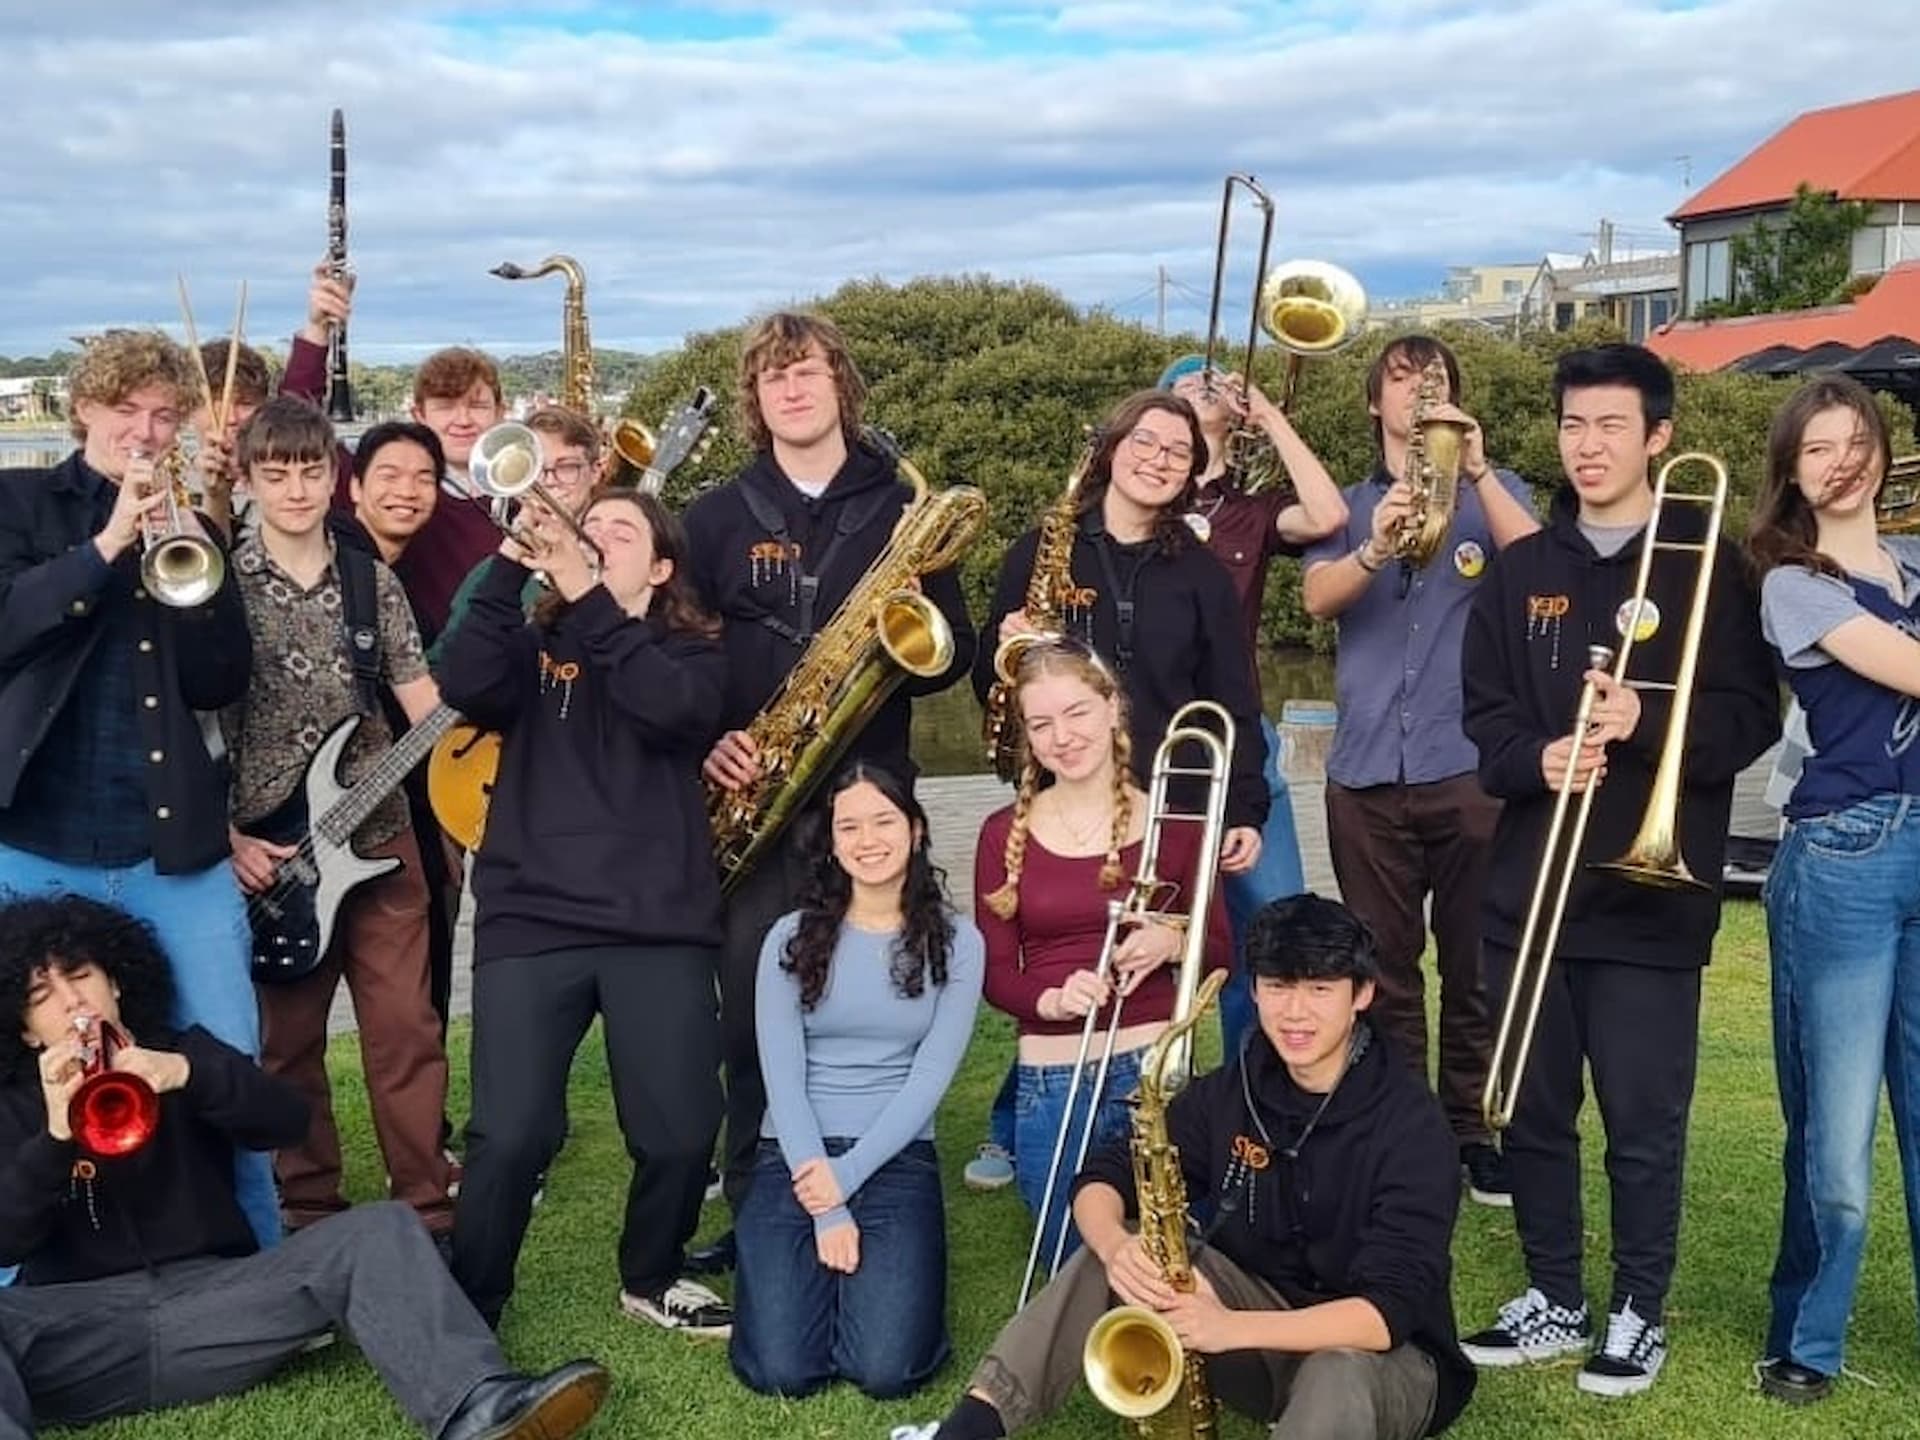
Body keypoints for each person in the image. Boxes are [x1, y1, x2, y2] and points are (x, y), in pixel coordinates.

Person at [1457, 343, 1779, 1395]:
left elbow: (1746, 718)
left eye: (1610, 427)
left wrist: (1646, 719)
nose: (1587, 447)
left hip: (1650, 901)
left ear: (1659, 437)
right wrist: (1537, 758)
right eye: (1571, 426)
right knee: (1534, 1114)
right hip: (1529, 893)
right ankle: (1556, 1293)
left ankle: (1639, 1308)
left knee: (1643, 1128)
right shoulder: (1521, 571)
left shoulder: (1709, 560)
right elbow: (1486, 721)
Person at [0, 892, 608, 1440]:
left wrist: (186, 1074)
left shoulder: (184, 1052)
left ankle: (477, 1406)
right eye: (42, 996)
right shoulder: (14, 1106)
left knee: (380, 1227)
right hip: (80, 1332)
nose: (73, 1001)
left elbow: (288, 1123)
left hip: (214, 1307)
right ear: (26, 1031)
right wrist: (57, 1136)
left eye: (81, 977)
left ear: (117, 982)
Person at [902, 893, 1475, 1440]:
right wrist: (1114, 1248)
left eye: (1320, 990)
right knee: (1126, 1253)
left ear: (1362, 995)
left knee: (1336, 1370)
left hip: (1388, 1364)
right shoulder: (1233, 1089)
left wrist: (1228, 1327)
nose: (1295, 1013)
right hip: (1262, 1334)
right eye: (1278, 987)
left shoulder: (1413, 1128)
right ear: (1254, 990)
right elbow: (1104, 1173)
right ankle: (971, 1427)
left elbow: (1384, 1315)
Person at [683, 311, 976, 1275]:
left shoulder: (903, 509)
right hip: (756, 797)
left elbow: (952, 658)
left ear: (839, 384)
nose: (790, 390)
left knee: (886, 996)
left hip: (872, 795)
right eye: (771, 378)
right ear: (754, 399)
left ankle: (874, 1173)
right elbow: (687, 651)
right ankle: (756, 1198)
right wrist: (708, 740)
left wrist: (901, 634)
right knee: (747, 1017)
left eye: (804, 371)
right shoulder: (717, 517)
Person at [0, 329, 277, 1248]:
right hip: (37, 841)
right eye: (128, 412)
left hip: (172, 851)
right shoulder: (23, 503)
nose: (148, 432)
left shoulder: (184, 523)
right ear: (84, 409)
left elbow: (220, 679)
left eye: (164, 416)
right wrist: (111, 542)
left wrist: (199, 558)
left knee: (222, 1054)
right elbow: (11, 627)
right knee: (20, 1073)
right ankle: (21, 1288)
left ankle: (263, 1258)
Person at [439, 487, 731, 1335]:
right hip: (532, 920)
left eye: (619, 532)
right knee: (511, 1133)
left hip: (658, 924)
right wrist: (509, 562)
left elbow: (669, 710)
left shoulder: (696, 654)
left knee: (680, 1134)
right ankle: (473, 1302)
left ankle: (652, 1274)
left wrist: (589, 594)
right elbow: (462, 680)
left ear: (663, 565)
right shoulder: (532, 643)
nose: (595, 539)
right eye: (587, 528)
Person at [964, 388, 1267, 1198]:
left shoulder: (1199, 570)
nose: (1160, 459)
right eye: (1146, 442)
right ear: (1112, 446)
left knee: (1178, 949)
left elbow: (1235, 694)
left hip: (1171, 800)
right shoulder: (1044, 549)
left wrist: (1245, 809)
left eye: (1179, 452)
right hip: (1065, 791)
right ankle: (1028, 1111)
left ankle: (1196, 1115)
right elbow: (989, 689)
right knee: (1069, 946)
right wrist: (1008, 654)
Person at [1300, 333, 1539, 1208]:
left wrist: (1473, 473)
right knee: (1384, 963)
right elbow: (1316, 597)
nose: (1413, 397)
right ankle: (1403, 1128)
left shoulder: (1496, 495)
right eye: (1399, 383)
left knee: (1473, 959)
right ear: (1374, 403)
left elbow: (1547, 570)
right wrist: (1373, 544)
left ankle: (1474, 1127)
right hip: (1365, 769)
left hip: (1467, 764)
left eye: (1428, 384)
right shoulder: (1345, 505)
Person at [221, 396, 454, 1241]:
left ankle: (428, 1214)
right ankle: (310, 1213)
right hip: (272, 854)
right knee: (287, 1048)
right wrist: (229, 838)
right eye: (274, 472)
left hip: (383, 839)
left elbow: (424, 707)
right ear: (247, 478)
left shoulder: (370, 580)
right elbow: (191, 726)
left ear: (334, 475)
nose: (294, 488)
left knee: (406, 1034)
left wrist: (490, 680)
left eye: (310, 469)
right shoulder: (217, 580)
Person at [1746, 375, 1920, 1405]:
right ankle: (1807, 1342)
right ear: (1794, 471)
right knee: (1839, 1139)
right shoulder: (1791, 583)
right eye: (1821, 448)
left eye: (1861, 442)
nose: (1845, 461)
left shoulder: (1913, 564)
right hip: (1845, 859)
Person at [730, 762, 983, 1399]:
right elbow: (781, 1078)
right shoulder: (788, 939)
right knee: (783, 1371)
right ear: (834, 843)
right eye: (850, 827)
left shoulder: (958, 942)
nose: (868, 840)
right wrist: (827, 1200)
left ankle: (865, 1291)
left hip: (896, 1156)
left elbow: (929, 1078)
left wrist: (850, 1176)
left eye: (883, 821)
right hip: (795, 1153)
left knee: (887, 1371)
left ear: (917, 830)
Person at [974, 640, 1230, 1267]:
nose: (1062, 736)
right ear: (1027, 737)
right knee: (1073, 1265)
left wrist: (1174, 940)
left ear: (1112, 707)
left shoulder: (1176, 825)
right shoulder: (1002, 834)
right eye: (1041, 724)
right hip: (1051, 1077)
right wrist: (1051, 998)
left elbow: (1225, 948)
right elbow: (995, 972)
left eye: (1077, 712)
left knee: (1173, 1259)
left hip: (1154, 1067)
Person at [1158, 354, 1347, 1058]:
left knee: (1271, 927)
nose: (1201, 381)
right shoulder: (1139, 498)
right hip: (1151, 741)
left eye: (1211, 377)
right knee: (1119, 927)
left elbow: (1329, 513)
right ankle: (1032, 1104)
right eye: (1182, 380)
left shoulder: (1249, 510)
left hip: (1243, 742)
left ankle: (1249, 1088)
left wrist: (1267, 415)